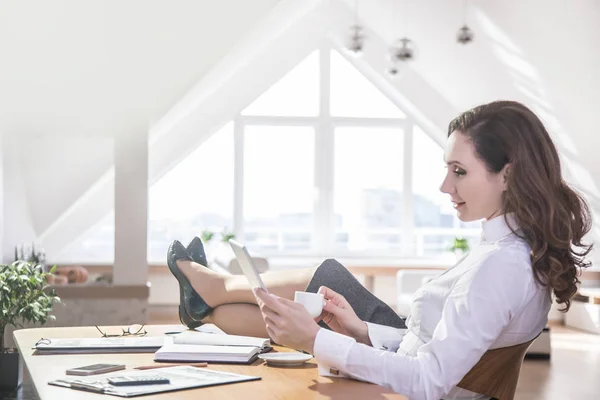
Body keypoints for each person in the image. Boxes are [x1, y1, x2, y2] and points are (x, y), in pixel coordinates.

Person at [166, 100, 593, 400]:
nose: (445, 187)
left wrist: (316, 338)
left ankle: (206, 290)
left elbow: (429, 381)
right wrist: (358, 329)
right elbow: (431, 350)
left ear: (508, 174)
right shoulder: (506, 250)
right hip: (397, 362)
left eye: (459, 171)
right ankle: (205, 298)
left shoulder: (502, 265)